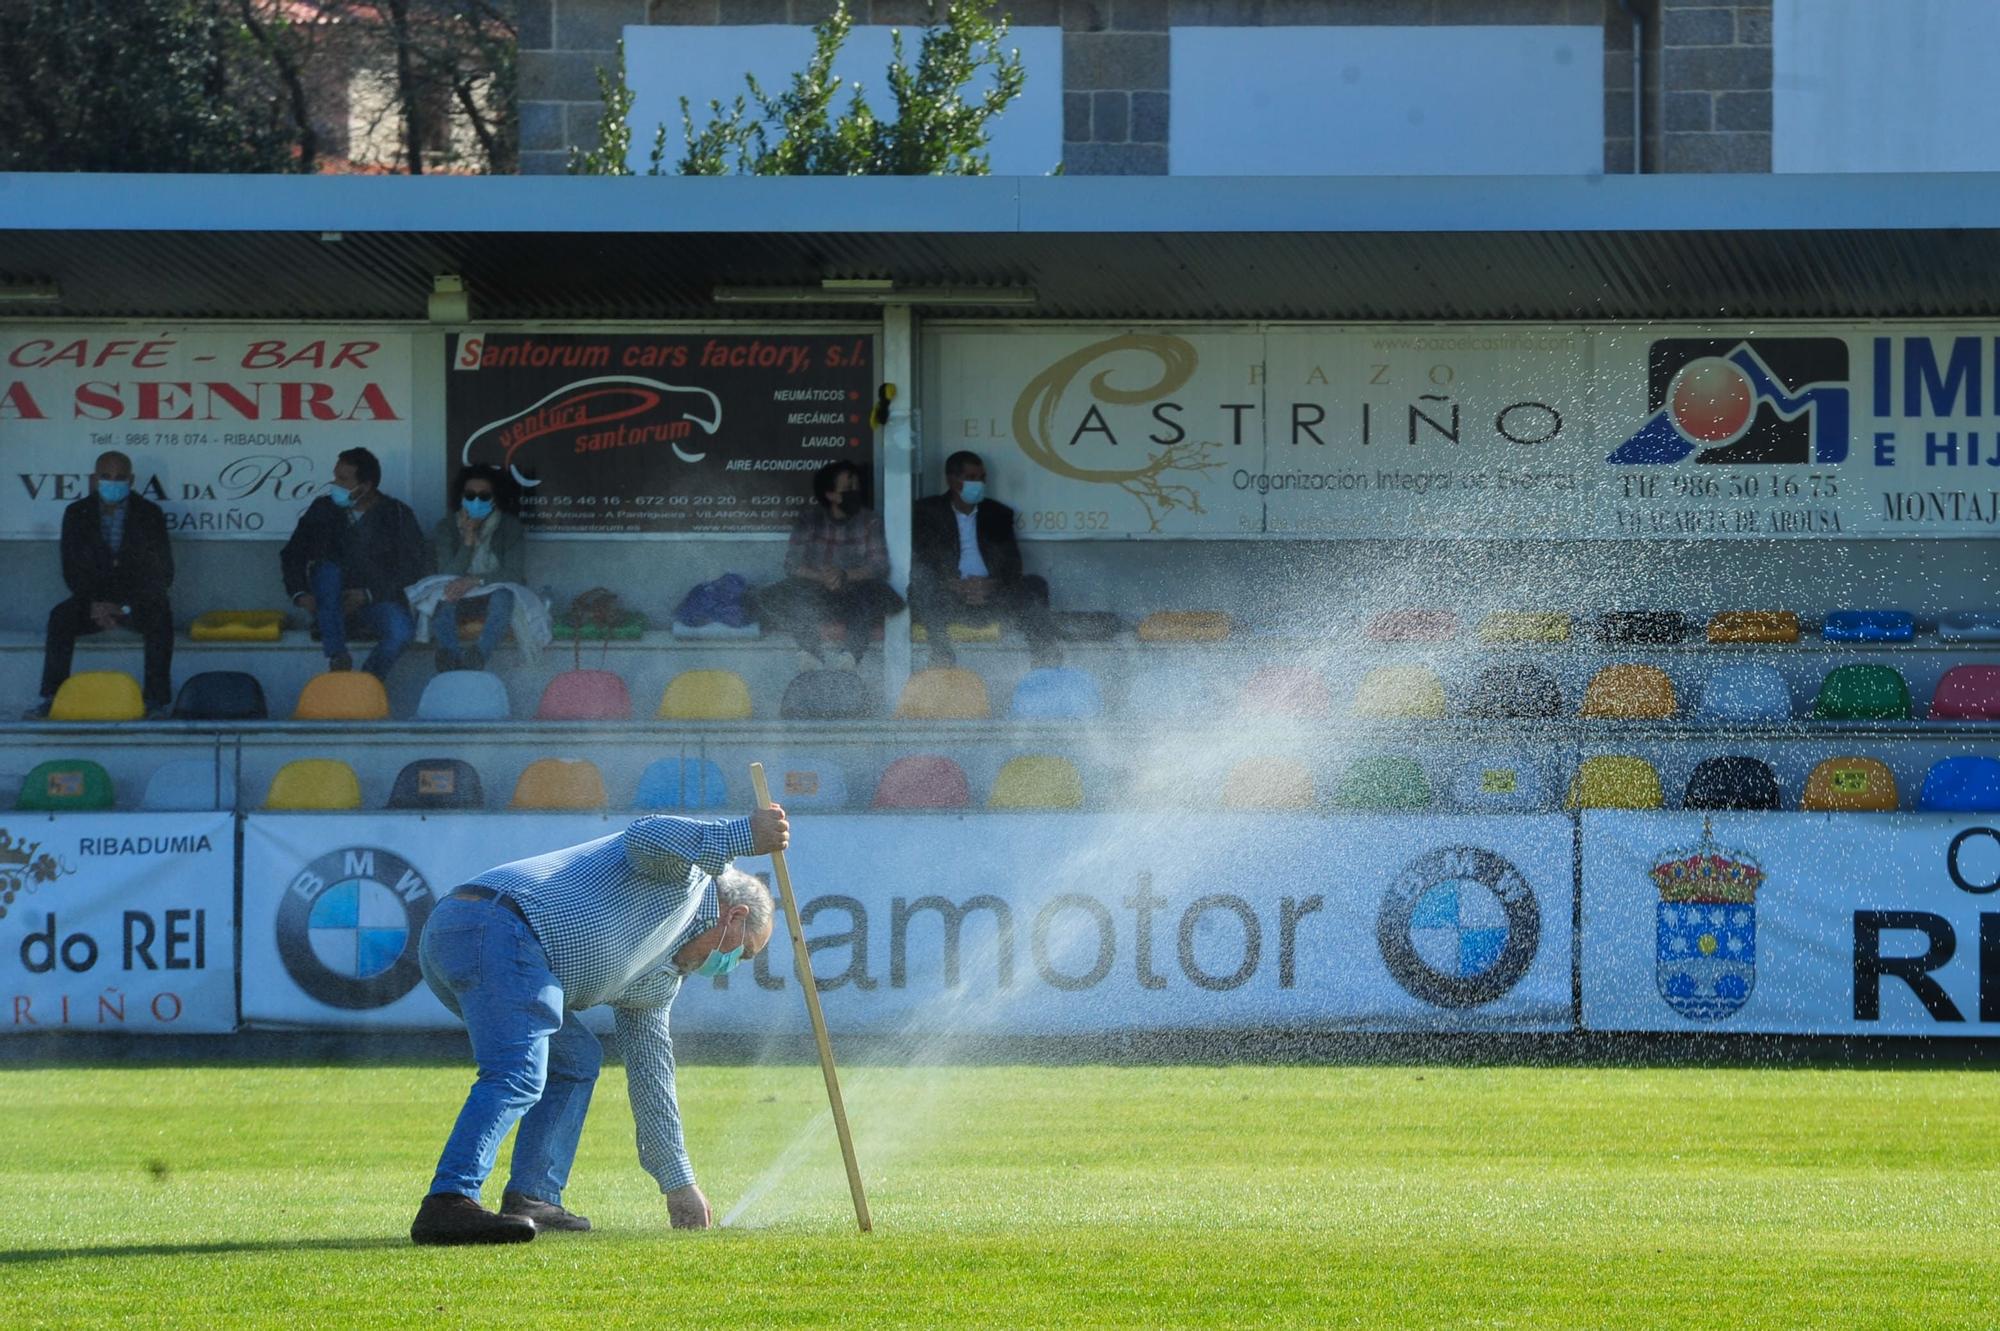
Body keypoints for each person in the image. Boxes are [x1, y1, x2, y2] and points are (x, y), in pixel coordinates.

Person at [409, 807, 789, 1245]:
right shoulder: (685, 877)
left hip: (465, 932)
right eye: (740, 955)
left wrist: (678, 1183)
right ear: (734, 918)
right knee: (517, 1071)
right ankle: (449, 1200)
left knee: (575, 1059)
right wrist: (742, 834)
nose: (726, 967)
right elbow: (645, 834)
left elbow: (652, 1078)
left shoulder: (659, 978)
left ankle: (534, 1197)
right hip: (496, 925)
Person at [27, 450, 175, 718]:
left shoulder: (150, 514)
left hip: (134, 603)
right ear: (94, 479)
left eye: (120, 477)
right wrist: (95, 604)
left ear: (131, 480)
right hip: (91, 601)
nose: (112, 482)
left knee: (161, 618)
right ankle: (53, 696)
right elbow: (71, 569)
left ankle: (155, 701)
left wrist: (125, 606)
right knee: (61, 618)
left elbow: (162, 573)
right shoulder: (76, 513)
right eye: (106, 476)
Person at [280, 446, 430, 678]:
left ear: (366, 486)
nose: (335, 484)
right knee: (328, 571)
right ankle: (337, 655)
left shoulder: (397, 514)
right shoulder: (322, 508)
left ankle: (366, 683)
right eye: (335, 476)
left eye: (343, 479)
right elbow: (292, 554)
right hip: (329, 604)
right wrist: (300, 595)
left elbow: (415, 567)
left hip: (376, 601)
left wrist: (369, 594)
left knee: (401, 632)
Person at [910, 450, 1058, 667]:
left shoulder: (998, 514)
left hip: (991, 597)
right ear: (952, 480)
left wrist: (990, 586)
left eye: (982, 478)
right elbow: (923, 560)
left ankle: (1043, 656)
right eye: (971, 479)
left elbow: (1013, 566)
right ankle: (942, 655)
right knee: (919, 587)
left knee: (1035, 585)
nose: (978, 484)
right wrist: (954, 585)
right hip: (951, 598)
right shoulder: (927, 512)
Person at [757, 459, 905, 670]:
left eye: (857, 487)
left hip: (855, 591)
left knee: (868, 594)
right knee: (786, 594)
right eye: (848, 488)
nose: (856, 492)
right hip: (818, 592)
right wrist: (823, 577)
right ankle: (810, 653)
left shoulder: (870, 520)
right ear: (831, 495)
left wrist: (844, 575)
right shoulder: (809, 520)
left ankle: (851, 656)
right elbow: (792, 564)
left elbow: (879, 566)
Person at [428, 464, 526, 672]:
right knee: (443, 594)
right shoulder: (446, 527)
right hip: (458, 594)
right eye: (470, 495)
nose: (476, 501)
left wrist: (474, 581)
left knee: (504, 594)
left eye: (484, 496)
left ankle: (478, 655)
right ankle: (450, 659)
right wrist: (468, 540)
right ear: (461, 496)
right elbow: (447, 573)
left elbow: (514, 573)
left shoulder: (510, 526)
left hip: (491, 594)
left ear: (495, 498)